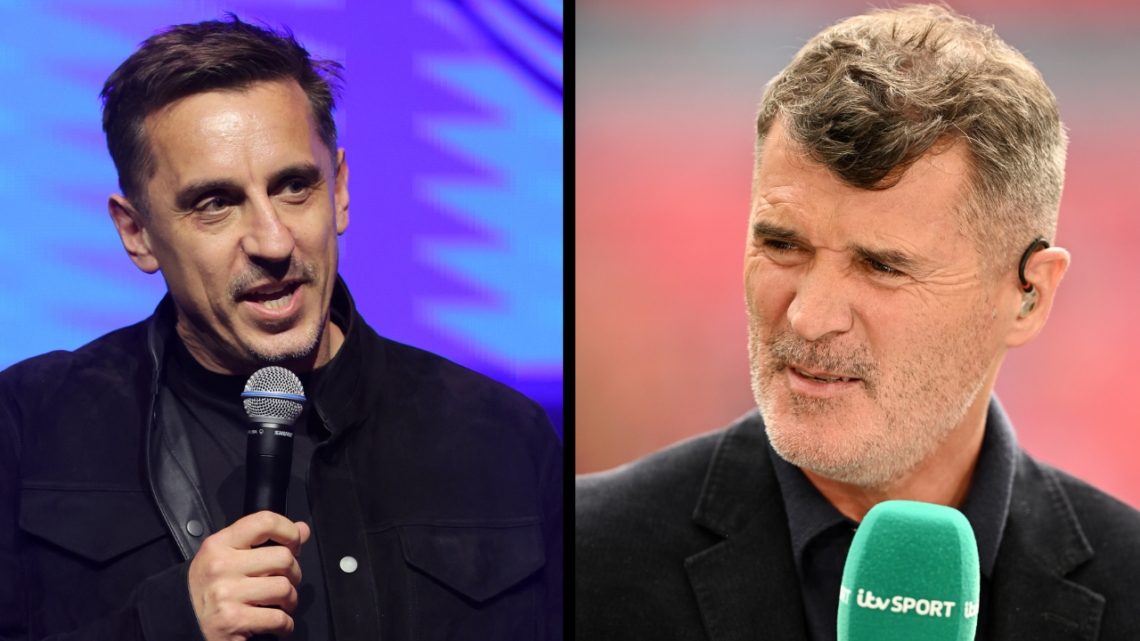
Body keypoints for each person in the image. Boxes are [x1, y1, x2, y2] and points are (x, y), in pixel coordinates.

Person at [577, 5, 1140, 640]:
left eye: (881, 266)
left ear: (1028, 295)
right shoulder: (571, 558)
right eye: (783, 246)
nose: (809, 317)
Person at [0, 15, 562, 641]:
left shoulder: (505, 438)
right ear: (136, 233)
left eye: (295, 186)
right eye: (215, 202)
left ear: (341, 190)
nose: (272, 241)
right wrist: (169, 624)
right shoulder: (27, 425)